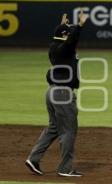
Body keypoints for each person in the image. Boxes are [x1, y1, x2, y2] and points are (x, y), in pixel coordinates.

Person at [25, 10, 88, 177]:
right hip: (62, 94)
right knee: (69, 130)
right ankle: (65, 169)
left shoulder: (54, 47)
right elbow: (70, 41)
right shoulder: (64, 49)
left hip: (52, 92)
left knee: (54, 127)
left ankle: (33, 158)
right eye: (68, 32)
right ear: (66, 36)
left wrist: (63, 26)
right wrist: (80, 26)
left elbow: (66, 39)